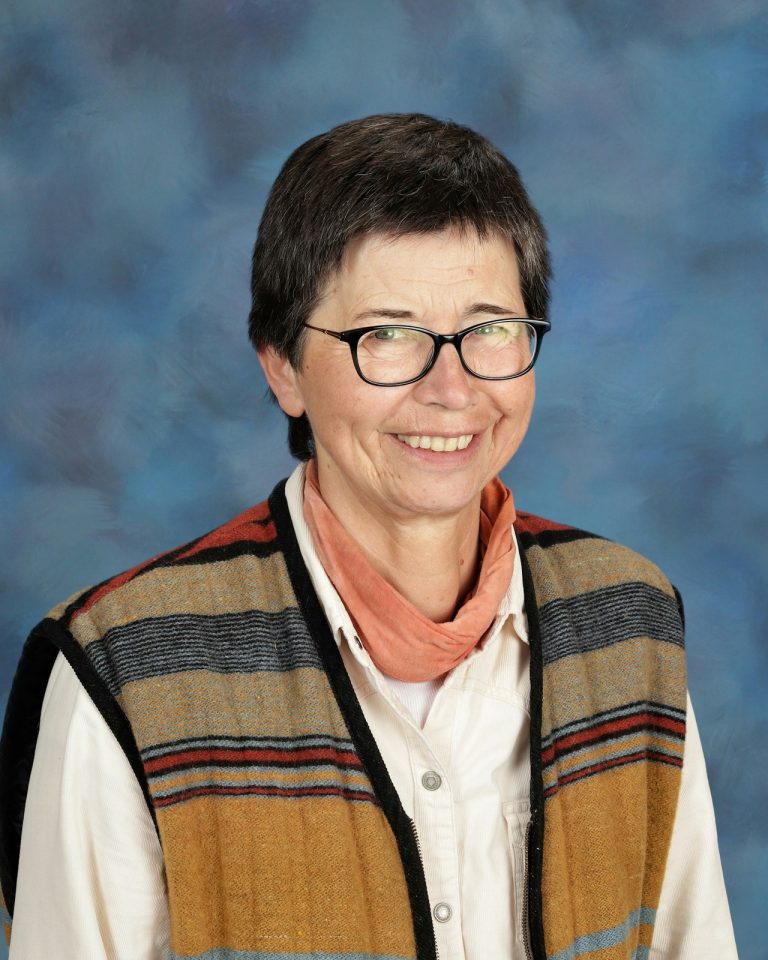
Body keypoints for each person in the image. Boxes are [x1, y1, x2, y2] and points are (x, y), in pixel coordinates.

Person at [0, 113, 737, 960]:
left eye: (490, 328)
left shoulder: (629, 630)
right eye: (387, 334)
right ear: (282, 366)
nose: (452, 389)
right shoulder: (127, 673)